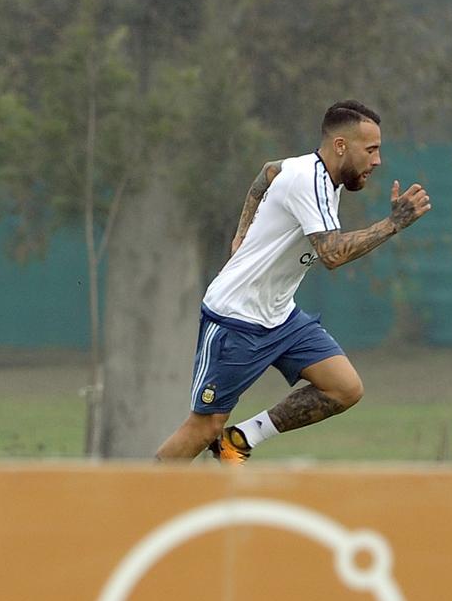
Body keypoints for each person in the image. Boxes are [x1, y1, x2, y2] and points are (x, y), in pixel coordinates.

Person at [156, 100, 432, 465]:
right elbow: (332, 255)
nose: (377, 161)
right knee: (204, 426)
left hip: (279, 317)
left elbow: (268, 171)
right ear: (340, 146)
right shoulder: (307, 180)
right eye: (371, 150)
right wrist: (393, 223)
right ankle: (138, 503)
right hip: (236, 321)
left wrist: (241, 234)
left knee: (344, 388)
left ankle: (240, 440)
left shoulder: (314, 172)